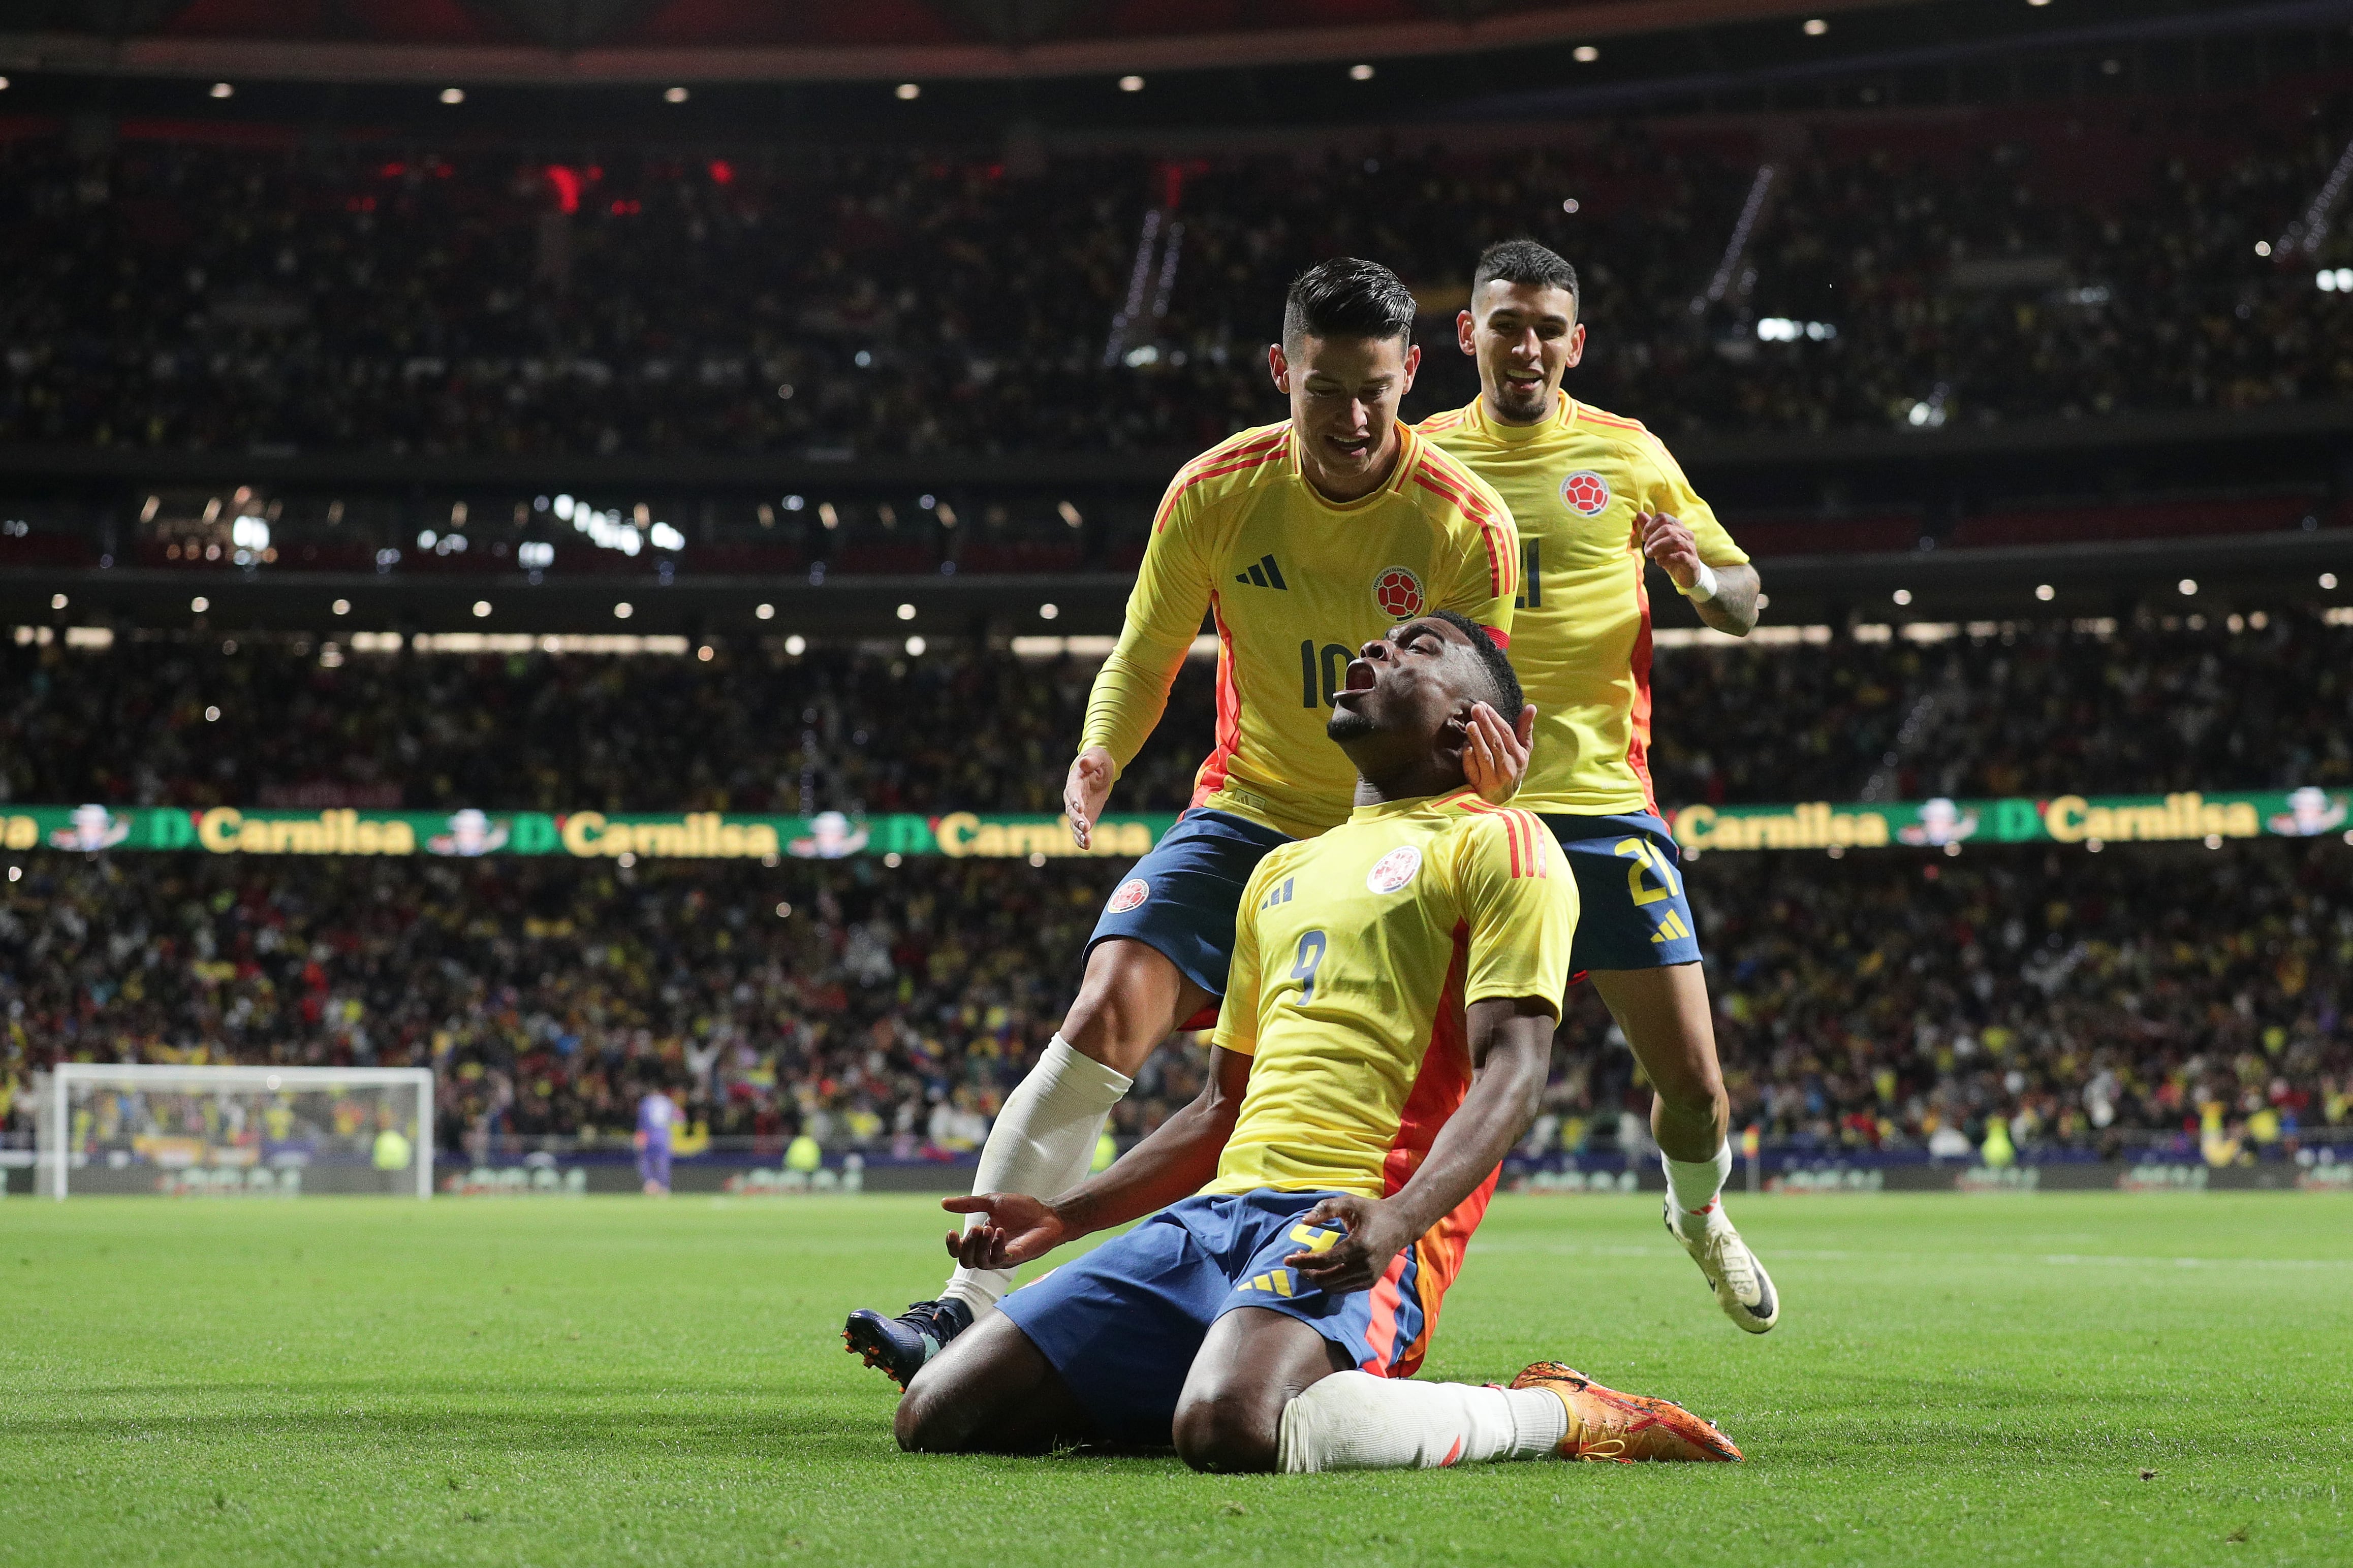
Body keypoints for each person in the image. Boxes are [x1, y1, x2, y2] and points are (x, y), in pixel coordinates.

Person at [844, 258, 1533, 1385]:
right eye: (1323, 388)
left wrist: (1479, 816)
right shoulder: (1214, 490)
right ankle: (963, 1305)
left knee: (1303, 1093)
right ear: (1280, 371)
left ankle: (1315, 1295)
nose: (1353, 416)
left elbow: (1476, 698)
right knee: (1109, 1003)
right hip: (1249, 806)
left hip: (1390, 832)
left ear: (1413, 371)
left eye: (1376, 388)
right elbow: (1146, 646)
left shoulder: (1466, 521)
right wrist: (1102, 746)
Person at [894, 612, 1739, 1471]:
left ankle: (1551, 1412)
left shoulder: (1504, 842)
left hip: (1354, 1215)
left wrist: (1399, 1219)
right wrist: (1065, 1213)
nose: (1375, 648)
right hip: (1211, 1220)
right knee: (937, 1410)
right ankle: (1235, 1370)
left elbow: (1513, 1076)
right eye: (1377, 639)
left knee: (1231, 1428)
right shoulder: (1279, 871)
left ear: (1467, 721)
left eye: (1420, 647)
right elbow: (1220, 1107)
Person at [1417, 238, 1778, 1332]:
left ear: (1575, 343)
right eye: (1502, 322)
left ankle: (1696, 1214)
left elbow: (1744, 602)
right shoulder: (1416, 455)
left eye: (1543, 326)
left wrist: (1695, 576)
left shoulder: (1627, 454)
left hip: (1599, 808)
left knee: (1696, 1089)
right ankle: (1359, 1277)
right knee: (1414, 1083)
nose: (1522, 344)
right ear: (1464, 333)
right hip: (1459, 814)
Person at [635, 1081, 678, 1196]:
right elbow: (680, 1118)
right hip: (664, 1136)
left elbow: (642, 1122)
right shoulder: (668, 1102)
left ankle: (651, 1183)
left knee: (644, 1159)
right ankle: (664, 1188)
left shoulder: (647, 1103)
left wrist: (640, 1137)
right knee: (663, 1162)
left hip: (650, 1135)